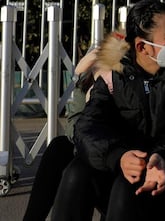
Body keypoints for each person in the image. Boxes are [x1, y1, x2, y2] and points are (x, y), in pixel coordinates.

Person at [51, 0, 165, 221]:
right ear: (142, 47)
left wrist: (161, 156)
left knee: (127, 184)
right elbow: (88, 126)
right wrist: (118, 156)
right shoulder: (116, 74)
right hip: (131, 166)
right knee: (77, 172)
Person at [22, 44, 111, 221]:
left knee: (82, 168)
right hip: (93, 165)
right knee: (60, 146)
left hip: (118, 174)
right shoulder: (87, 88)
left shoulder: (129, 92)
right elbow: (74, 131)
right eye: (95, 67)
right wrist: (87, 97)